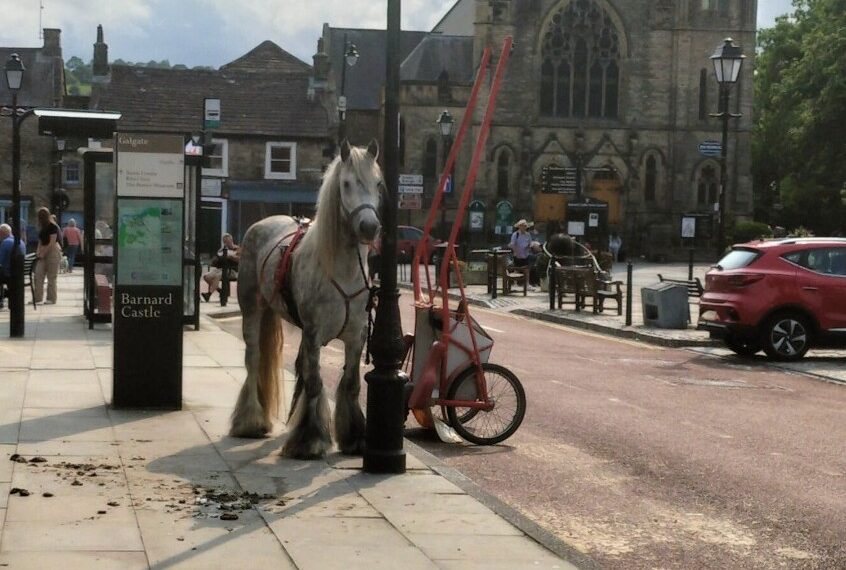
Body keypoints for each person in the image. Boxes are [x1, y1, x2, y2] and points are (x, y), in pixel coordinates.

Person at [34, 207, 62, 305]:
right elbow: (40, 240)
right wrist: (38, 251)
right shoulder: (42, 227)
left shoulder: (53, 226)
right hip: (43, 249)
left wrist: (43, 253)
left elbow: (52, 242)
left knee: (51, 277)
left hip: (53, 251)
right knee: (38, 275)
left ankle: (51, 298)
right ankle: (37, 298)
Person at [202, 233, 239, 302]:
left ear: (231, 240)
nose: (226, 243)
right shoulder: (222, 250)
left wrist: (231, 257)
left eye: (227, 241)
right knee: (206, 276)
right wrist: (218, 257)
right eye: (225, 242)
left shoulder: (237, 249)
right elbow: (214, 262)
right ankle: (221, 291)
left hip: (232, 270)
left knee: (218, 276)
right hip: (220, 269)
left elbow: (240, 260)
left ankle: (209, 294)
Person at [0, 224, 26, 309]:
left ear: (1, 233)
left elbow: (0, 260)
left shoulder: (5, 242)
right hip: (18, 273)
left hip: (9, 274)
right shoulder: (20, 241)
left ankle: (1, 300)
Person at [509, 219, 539, 288]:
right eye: (522, 226)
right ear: (519, 226)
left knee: (527, 270)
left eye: (525, 226)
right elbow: (512, 244)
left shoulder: (528, 235)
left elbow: (530, 243)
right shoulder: (515, 234)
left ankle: (527, 284)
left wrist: (530, 246)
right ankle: (515, 283)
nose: (523, 227)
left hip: (525, 254)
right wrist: (515, 251)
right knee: (516, 269)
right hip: (517, 255)